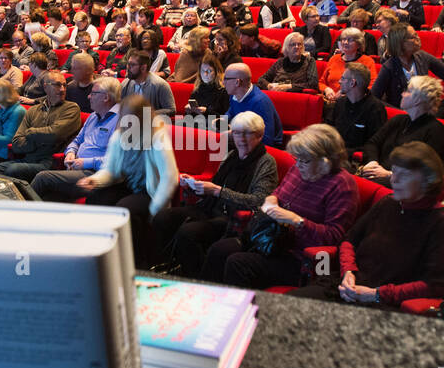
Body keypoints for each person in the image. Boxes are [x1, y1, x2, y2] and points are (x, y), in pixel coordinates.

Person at [293, 143, 444, 306]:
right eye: (394, 172)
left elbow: (434, 286)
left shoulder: (443, 223)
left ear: (428, 182)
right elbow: (349, 240)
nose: (394, 180)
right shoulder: (388, 203)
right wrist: (348, 272)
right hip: (349, 286)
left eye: (404, 175)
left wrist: (376, 294)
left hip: (386, 303)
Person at [203, 124, 358, 289]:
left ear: (325, 162)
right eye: (296, 159)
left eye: (303, 161)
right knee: (218, 250)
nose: (297, 165)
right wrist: (271, 200)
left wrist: (296, 221)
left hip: (299, 256)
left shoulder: (342, 186)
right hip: (270, 239)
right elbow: (277, 193)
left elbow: (335, 237)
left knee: (238, 263)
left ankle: (240, 311)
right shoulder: (299, 169)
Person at [152, 112, 280, 277]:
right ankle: (171, 265)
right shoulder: (232, 155)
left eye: (248, 133)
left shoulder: (266, 163)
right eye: (237, 133)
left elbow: (257, 202)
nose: (241, 139)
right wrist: (193, 185)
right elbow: (215, 185)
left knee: (188, 233)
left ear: (260, 136)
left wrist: (217, 191)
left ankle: (195, 277)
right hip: (211, 207)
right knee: (163, 217)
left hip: (234, 219)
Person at [75, 94, 179, 267]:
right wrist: (94, 181)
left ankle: (136, 262)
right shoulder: (118, 137)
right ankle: (100, 253)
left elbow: (170, 176)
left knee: (125, 209)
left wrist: (155, 209)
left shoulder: (157, 137)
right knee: (96, 198)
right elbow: (110, 170)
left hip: (150, 191)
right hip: (127, 185)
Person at [30, 76, 123, 200]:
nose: (89, 96)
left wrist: (86, 162)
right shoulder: (93, 116)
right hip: (76, 168)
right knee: (49, 196)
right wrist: (70, 152)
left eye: (93, 93)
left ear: (106, 97)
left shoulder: (122, 120)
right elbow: (77, 140)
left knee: (43, 178)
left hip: (96, 173)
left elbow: (118, 160)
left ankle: (16, 213)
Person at [360, 75, 444, 181]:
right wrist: (372, 162)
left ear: (417, 100)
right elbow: (372, 143)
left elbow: (426, 170)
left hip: (403, 185)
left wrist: (390, 174)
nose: (402, 93)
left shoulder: (435, 131)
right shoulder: (398, 120)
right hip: (376, 174)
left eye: (408, 91)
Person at [370, 24, 444, 104]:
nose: (418, 38)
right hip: (401, 115)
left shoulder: (423, 56)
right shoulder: (389, 67)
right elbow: (374, 97)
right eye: (413, 37)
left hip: (424, 112)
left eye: (416, 35)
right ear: (400, 43)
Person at [326, 62, 388, 156]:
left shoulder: (376, 109)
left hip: (353, 159)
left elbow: (375, 145)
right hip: (333, 152)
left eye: (343, 78)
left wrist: (344, 153)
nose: (339, 81)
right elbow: (328, 128)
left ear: (352, 83)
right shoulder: (340, 103)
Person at [224, 62, 283, 148]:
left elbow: (267, 140)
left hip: (261, 149)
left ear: (237, 82)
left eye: (226, 79)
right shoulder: (234, 95)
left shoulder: (260, 102)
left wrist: (235, 135)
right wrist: (222, 120)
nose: (223, 82)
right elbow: (231, 112)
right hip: (243, 140)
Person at [319, 29, 378, 102]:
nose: (345, 42)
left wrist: (348, 94)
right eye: (343, 39)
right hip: (330, 101)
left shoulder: (367, 61)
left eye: (350, 40)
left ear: (359, 44)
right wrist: (326, 89)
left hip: (354, 102)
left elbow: (371, 86)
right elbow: (321, 82)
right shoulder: (334, 58)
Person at [119, 50, 176, 120]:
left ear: (143, 68)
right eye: (128, 64)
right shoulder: (125, 83)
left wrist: (147, 114)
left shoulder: (160, 85)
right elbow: (119, 105)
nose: (128, 67)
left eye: (132, 65)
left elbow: (171, 109)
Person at [185, 55, 231, 125]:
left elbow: (226, 119)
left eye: (209, 71)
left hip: (215, 125)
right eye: (202, 71)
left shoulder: (224, 90)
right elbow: (190, 116)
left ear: (216, 72)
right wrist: (189, 110)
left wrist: (206, 111)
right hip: (199, 123)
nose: (205, 74)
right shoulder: (198, 88)